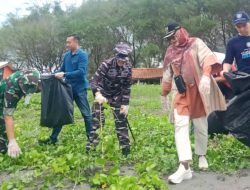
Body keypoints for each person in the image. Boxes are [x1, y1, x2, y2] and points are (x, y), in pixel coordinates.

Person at [162, 22, 226, 184]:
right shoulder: (170, 51)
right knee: (180, 125)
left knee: (201, 127)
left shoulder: (195, 43)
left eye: (173, 36)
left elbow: (208, 59)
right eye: (168, 38)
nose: (171, 40)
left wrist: (205, 76)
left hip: (198, 92)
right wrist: (164, 94)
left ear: (181, 31)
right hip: (181, 94)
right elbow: (167, 74)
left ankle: (202, 155)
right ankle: (184, 166)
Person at [39, 34, 92, 145]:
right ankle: (53, 139)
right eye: (66, 42)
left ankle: (92, 140)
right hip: (67, 89)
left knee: (86, 114)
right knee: (61, 113)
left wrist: (65, 74)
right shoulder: (67, 55)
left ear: (76, 42)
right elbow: (62, 69)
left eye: (69, 42)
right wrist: (52, 74)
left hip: (80, 89)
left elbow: (81, 72)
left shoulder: (82, 55)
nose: (67, 44)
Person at [87, 43, 132, 156]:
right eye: (120, 60)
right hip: (102, 95)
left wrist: (125, 104)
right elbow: (94, 81)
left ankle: (126, 150)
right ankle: (91, 148)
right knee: (97, 121)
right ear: (116, 56)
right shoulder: (106, 65)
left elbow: (126, 87)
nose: (122, 62)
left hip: (117, 96)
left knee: (121, 120)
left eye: (124, 60)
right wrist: (97, 94)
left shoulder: (128, 67)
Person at [0, 70, 40, 158]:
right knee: (2, 122)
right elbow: (8, 117)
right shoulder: (11, 91)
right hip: (1, 96)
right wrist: (12, 140)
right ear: (21, 83)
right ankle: (3, 148)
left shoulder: (34, 74)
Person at [222, 11, 250, 75]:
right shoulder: (232, 42)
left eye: (244, 25)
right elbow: (228, 61)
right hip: (244, 78)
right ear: (235, 27)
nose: (242, 29)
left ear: (249, 22)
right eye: (238, 27)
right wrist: (225, 71)